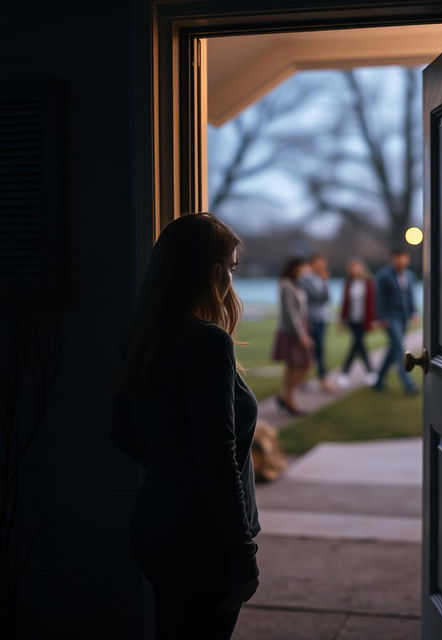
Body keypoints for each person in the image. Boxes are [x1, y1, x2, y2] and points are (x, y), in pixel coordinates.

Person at [110, 213, 259, 640]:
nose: (232, 279)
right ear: (211, 272)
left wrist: (173, 467)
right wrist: (242, 554)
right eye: (230, 268)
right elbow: (217, 460)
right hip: (205, 538)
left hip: (155, 524)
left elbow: (120, 433)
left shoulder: (142, 335)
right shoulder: (207, 343)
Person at [372, 248, 419, 395]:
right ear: (393, 259)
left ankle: (379, 381)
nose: (401, 261)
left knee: (393, 349)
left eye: (404, 257)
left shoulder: (410, 275)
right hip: (391, 318)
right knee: (399, 348)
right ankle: (408, 384)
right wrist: (382, 318)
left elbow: (410, 295)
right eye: (398, 257)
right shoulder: (384, 275)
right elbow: (379, 298)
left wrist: (414, 312)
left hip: (404, 317)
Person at [272, 257, 314, 415]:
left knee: (294, 366)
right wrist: (301, 334)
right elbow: (291, 312)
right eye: (303, 267)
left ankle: (287, 398)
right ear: (295, 268)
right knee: (304, 364)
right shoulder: (287, 285)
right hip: (292, 331)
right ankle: (288, 398)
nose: (305, 271)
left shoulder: (297, 284)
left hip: (297, 328)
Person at [336, 258, 377, 388]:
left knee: (357, 345)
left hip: (364, 320)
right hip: (352, 320)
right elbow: (345, 303)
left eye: (356, 267)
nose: (354, 270)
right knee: (358, 345)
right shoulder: (348, 283)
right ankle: (370, 372)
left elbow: (373, 303)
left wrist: (374, 320)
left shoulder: (369, 282)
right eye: (352, 268)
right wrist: (342, 319)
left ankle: (345, 373)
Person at [298, 253, 335, 392]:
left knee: (319, 349)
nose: (322, 265)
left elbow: (327, 298)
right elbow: (316, 297)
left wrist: (325, 281)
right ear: (312, 263)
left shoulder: (321, 278)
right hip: (310, 318)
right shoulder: (305, 278)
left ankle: (319, 379)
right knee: (310, 350)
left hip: (321, 318)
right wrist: (324, 280)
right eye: (319, 262)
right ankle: (306, 378)